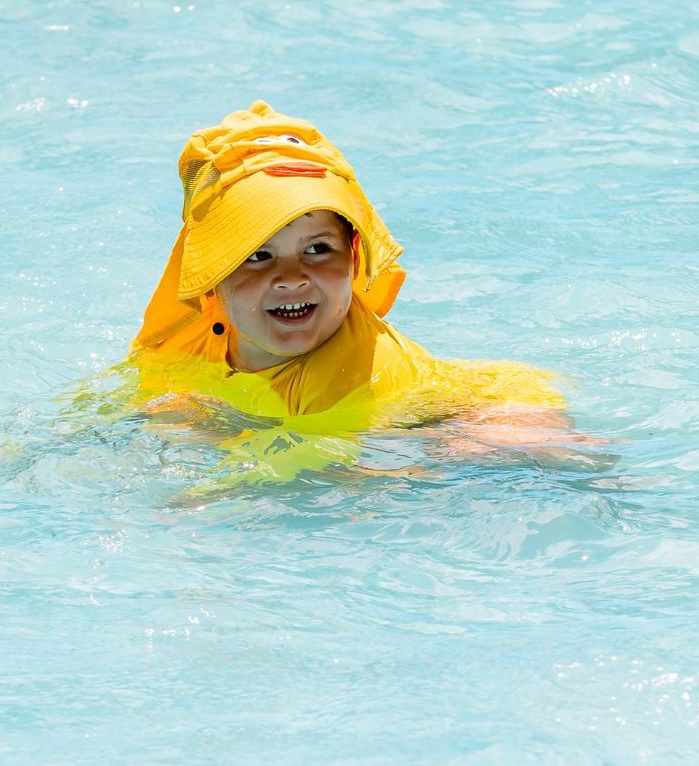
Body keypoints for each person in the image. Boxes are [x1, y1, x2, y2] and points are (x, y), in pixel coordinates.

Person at [117, 100, 597, 483]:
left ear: (353, 256)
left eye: (317, 249)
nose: (291, 277)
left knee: (521, 463)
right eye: (257, 255)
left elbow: (287, 474)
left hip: (486, 411)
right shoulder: (186, 340)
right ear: (211, 276)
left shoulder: (354, 373)